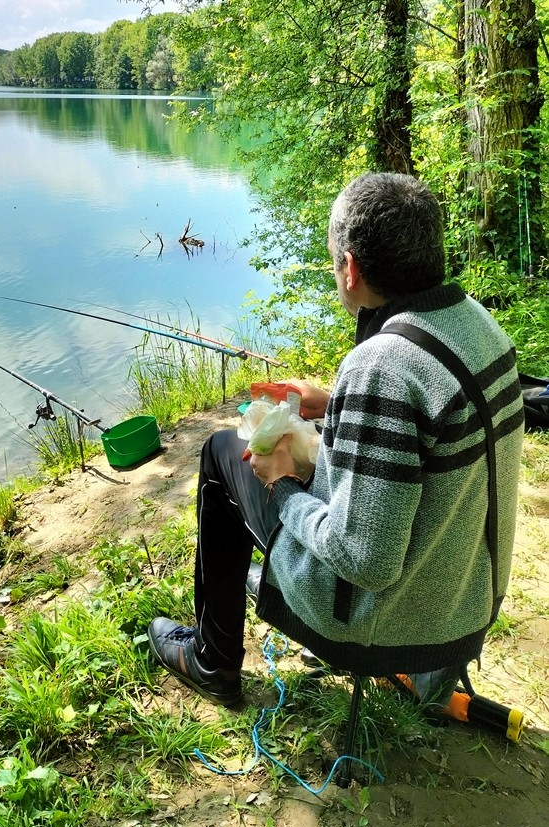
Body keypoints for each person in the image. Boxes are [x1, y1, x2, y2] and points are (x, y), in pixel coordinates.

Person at [147, 172, 525, 708]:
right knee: (281, 466)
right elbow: (424, 452)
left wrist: (282, 484)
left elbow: (365, 560)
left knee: (220, 453)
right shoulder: (477, 323)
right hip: (466, 598)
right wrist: (335, 405)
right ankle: (266, 589)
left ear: (350, 267)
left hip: (391, 620)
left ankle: (212, 660)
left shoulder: (383, 366)